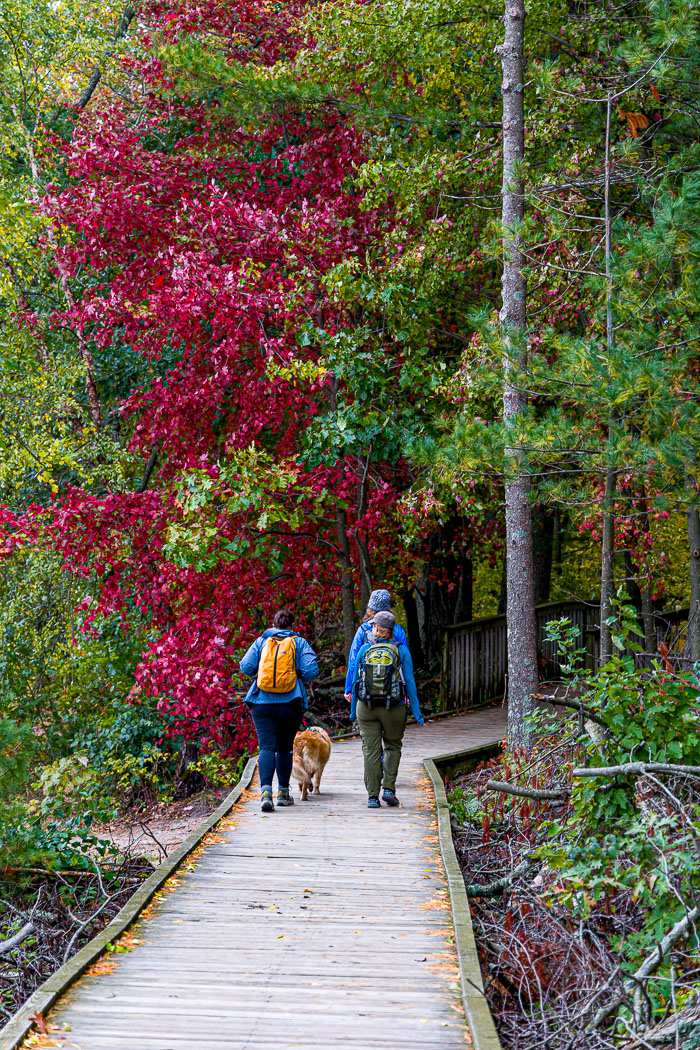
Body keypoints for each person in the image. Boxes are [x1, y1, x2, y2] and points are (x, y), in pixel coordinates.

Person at [240, 609, 319, 812]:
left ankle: (266, 793)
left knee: (266, 747)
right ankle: (283, 793)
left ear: (273, 623)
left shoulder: (261, 641)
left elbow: (246, 667)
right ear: (291, 624)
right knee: (285, 748)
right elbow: (311, 670)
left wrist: (260, 671)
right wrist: (297, 674)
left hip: (261, 703)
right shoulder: (299, 643)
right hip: (290, 702)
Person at [350, 610, 423, 809]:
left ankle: (373, 797)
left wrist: (351, 711)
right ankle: (389, 789)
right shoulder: (401, 650)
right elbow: (409, 683)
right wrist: (417, 713)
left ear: (375, 629)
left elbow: (356, 681)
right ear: (392, 631)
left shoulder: (365, 649)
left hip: (366, 707)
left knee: (370, 751)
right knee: (392, 746)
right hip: (394, 706)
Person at [344, 589, 408, 706]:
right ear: (388, 608)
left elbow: (353, 661)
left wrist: (349, 689)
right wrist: (407, 693)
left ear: (370, 608)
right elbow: (405, 663)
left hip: (367, 688)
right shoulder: (398, 630)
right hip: (393, 689)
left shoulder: (362, 630)